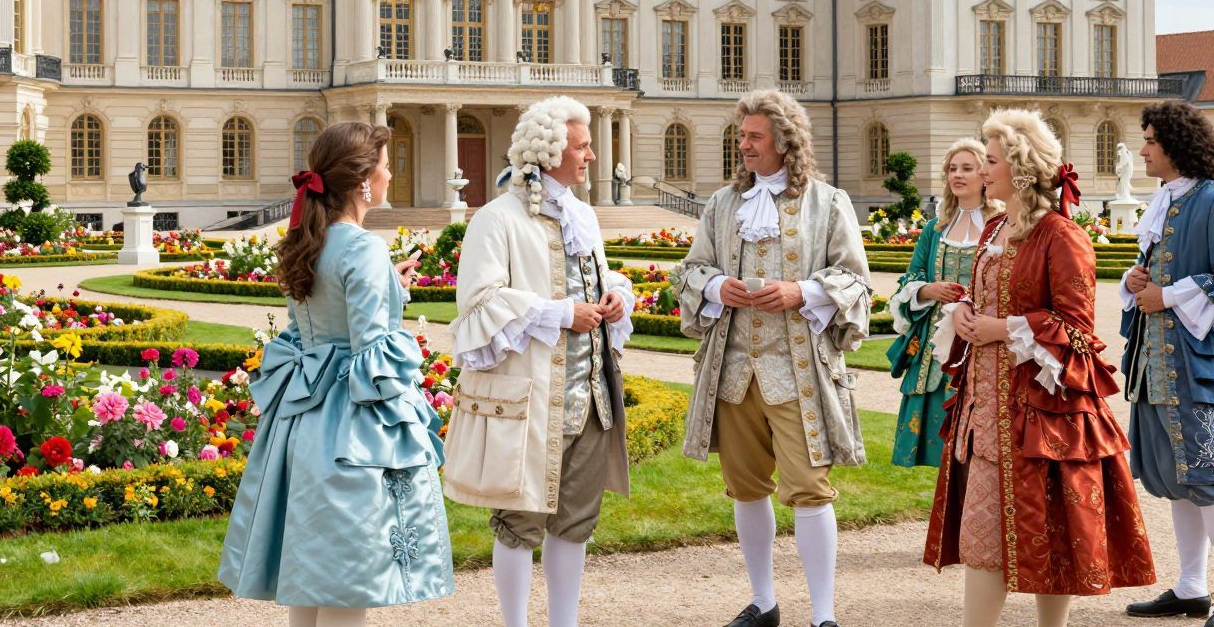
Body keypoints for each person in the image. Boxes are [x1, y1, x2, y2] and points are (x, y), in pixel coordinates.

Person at [922, 108, 1154, 627]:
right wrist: (961, 312)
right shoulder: (996, 227)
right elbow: (984, 295)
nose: (982, 170)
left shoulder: (1060, 235)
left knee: (1054, 529)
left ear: (1020, 169)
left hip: (1042, 411)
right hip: (985, 409)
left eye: (991, 160)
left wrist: (1003, 329)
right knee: (982, 536)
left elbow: (1077, 329)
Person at [218, 122, 453, 625]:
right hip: (352, 429)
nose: (391, 174)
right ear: (365, 180)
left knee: (310, 575)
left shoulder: (308, 241)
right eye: (386, 166)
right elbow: (371, 351)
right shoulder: (363, 247)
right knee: (350, 581)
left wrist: (391, 285)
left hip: (303, 420)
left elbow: (322, 324)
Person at [676, 89, 872, 627]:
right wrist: (718, 287)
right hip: (734, 372)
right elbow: (690, 271)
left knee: (809, 489)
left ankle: (823, 615)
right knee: (745, 487)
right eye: (742, 136)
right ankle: (763, 602)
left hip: (797, 371)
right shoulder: (721, 205)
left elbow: (856, 279)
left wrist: (801, 293)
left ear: (785, 143)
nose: (744, 146)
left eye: (754, 137)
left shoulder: (829, 204)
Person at [443, 95, 635, 627]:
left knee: (575, 523)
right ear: (550, 153)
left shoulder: (583, 216)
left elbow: (594, 278)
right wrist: (558, 313)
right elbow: (478, 302)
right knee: (519, 521)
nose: (591, 155)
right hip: (531, 401)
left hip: (590, 398)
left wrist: (614, 294)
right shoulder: (496, 219)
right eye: (582, 146)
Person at [1120, 100, 1214, 623]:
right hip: (1156, 365)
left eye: (1151, 141)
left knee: (1208, 476)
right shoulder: (1166, 200)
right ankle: (1192, 588)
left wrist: (1170, 294)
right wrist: (1137, 282)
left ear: (1175, 144)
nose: (1143, 150)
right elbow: (1151, 272)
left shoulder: (1213, 199)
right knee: (1178, 479)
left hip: (1201, 365)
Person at [887, 139, 1001, 467]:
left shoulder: (1000, 226)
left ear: (984, 175)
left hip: (980, 338)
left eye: (967, 168)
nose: (958, 175)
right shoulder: (936, 229)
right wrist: (928, 291)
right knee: (942, 446)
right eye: (952, 169)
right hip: (937, 346)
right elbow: (908, 282)